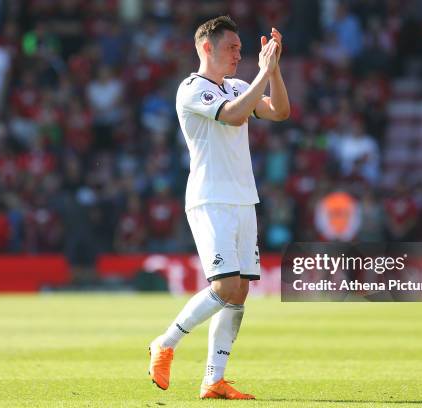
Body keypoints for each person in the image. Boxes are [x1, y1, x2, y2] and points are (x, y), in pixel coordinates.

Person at [148, 15, 289, 400]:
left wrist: (272, 71)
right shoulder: (192, 89)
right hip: (210, 199)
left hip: (244, 198)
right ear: (207, 47)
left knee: (240, 292)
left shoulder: (239, 85)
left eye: (241, 50)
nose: (238, 55)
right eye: (232, 48)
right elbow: (233, 115)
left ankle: (214, 379)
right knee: (224, 285)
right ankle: (166, 342)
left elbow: (278, 111)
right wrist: (262, 73)